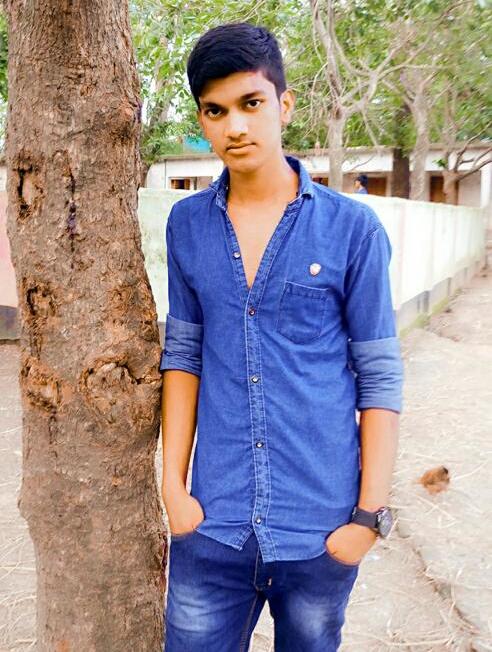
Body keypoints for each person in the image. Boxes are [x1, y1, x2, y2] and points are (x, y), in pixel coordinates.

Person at [160, 22, 403, 652]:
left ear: (284, 104)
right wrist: (174, 491)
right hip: (213, 523)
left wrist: (367, 518)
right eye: (215, 111)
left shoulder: (352, 230)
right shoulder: (187, 225)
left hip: (321, 528)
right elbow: (183, 357)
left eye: (251, 103)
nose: (234, 126)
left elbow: (379, 376)